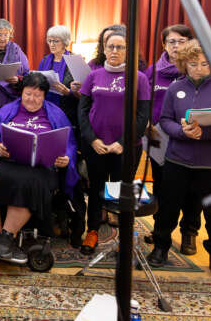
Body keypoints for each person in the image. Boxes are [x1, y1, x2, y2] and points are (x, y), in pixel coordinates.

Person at [147, 40, 211, 284]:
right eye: (193, 64)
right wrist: (182, 132)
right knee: (167, 208)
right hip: (177, 159)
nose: (199, 69)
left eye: (205, 64)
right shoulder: (175, 88)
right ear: (184, 64)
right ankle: (160, 247)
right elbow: (165, 120)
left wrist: (204, 133)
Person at [0, 72, 79, 264]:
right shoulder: (8, 110)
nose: (32, 99)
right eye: (28, 94)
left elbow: (69, 145)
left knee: (29, 182)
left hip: (40, 168)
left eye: (37, 95)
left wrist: (66, 159)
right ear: (21, 93)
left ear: (44, 96)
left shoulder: (56, 114)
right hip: (9, 162)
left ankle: (8, 236)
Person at [77, 29, 150, 254]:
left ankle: (124, 237)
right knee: (97, 189)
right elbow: (82, 111)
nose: (115, 51)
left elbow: (142, 116)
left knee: (120, 190)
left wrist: (123, 143)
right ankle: (92, 231)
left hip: (125, 148)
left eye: (120, 47)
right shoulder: (93, 76)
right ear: (104, 49)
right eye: (110, 47)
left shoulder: (139, 78)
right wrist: (92, 140)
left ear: (128, 51)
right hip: (96, 146)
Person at [143, 23, 201, 255]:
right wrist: (146, 123)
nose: (176, 46)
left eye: (181, 41)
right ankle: (160, 230)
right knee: (161, 185)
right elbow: (143, 99)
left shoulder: (196, 69)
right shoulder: (153, 70)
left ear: (190, 43)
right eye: (171, 42)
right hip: (158, 134)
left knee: (192, 188)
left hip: (190, 136)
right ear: (164, 45)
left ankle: (189, 232)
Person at [36, 25, 81, 122]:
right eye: (49, 41)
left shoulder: (75, 61)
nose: (52, 44)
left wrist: (68, 92)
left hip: (67, 112)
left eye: (56, 41)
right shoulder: (44, 60)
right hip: (45, 109)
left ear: (65, 42)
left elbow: (84, 94)